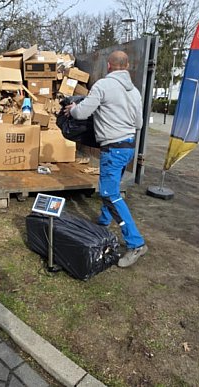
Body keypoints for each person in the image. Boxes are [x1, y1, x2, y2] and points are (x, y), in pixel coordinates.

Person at [65, 50, 147, 268]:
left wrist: (73, 109)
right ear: (127, 65)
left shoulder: (103, 86)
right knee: (111, 188)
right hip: (128, 147)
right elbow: (138, 124)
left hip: (112, 148)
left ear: (109, 66)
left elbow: (82, 113)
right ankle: (103, 221)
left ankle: (136, 242)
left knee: (110, 193)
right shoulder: (135, 92)